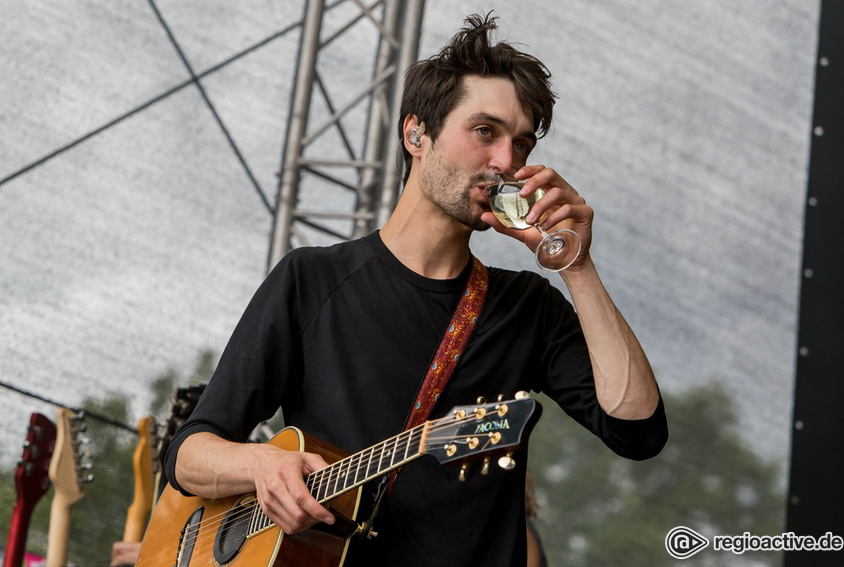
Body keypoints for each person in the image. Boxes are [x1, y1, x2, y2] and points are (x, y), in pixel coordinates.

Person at [164, 12, 667, 567]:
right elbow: (188, 455)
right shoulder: (312, 279)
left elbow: (637, 431)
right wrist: (262, 466)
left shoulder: (528, 308)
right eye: (485, 132)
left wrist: (577, 266)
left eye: (521, 145)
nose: (506, 162)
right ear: (416, 134)